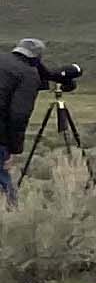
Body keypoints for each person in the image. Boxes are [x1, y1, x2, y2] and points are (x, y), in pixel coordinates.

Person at [0, 37, 48, 200]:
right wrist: (14, 149)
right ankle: (11, 218)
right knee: (3, 180)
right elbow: (19, 114)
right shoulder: (27, 73)